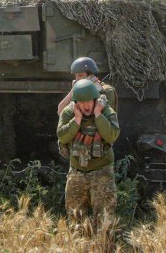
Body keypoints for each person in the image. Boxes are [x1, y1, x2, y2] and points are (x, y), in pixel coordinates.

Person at [57, 79, 120, 229]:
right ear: (76, 102)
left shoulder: (106, 111)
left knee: (104, 220)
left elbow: (112, 136)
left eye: (88, 101)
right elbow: (62, 136)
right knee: (75, 220)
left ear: (95, 100)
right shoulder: (69, 112)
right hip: (77, 171)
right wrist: (77, 120)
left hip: (102, 171)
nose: (85, 105)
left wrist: (98, 115)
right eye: (81, 102)